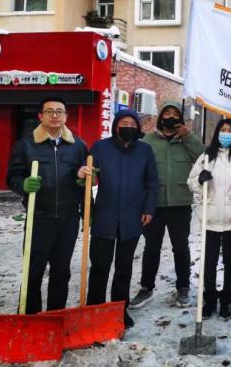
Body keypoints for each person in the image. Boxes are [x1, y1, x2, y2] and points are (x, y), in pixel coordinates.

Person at [7, 97, 88, 314]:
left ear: (66, 117)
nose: (55, 115)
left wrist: (82, 180)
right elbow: (13, 177)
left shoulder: (78, 146)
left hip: (67, 219)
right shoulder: (25, 145)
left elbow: (84, 181)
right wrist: (23, 185)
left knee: (61, 272)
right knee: (33, 271)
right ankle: (30, 316)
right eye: (49, 111)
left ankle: (55, 316)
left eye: (59, 111)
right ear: (40, 116)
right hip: (38, 217)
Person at [80, 109, 158, 328]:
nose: (129, 127)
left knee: (124, 269)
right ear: (115, 126)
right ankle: (94, 308)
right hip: (104, 216)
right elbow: (88, 180)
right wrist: (87, 205)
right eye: (124, 123)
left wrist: (149, 209)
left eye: (133, 124)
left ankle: (118, 310)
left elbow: (152, 182)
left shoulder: (145, 151)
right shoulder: (100, 148)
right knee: (99, 267)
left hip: (132, 217)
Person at [129, 101, 204, 309]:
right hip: (153, 203)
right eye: (166, 113)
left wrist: (187, 136)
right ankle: (146, 287)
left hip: (180, 202)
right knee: (151, 247)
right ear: (160, 116)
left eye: (174, 113)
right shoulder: (148, 141)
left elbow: (203, 158)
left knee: (181, 247)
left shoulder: (186, 140)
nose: (170, 116)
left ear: (180, 118)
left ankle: (183, 287)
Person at [187, 118, 231, 319]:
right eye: (223, 130)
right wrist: (199, 181)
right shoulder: (206, 156)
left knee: (230, 261)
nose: (226, 134)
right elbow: (191, 180)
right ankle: (209, 298)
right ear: (217, 133)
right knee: (209, 261)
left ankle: (227, 299)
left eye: (230, 131)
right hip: (210, 216)